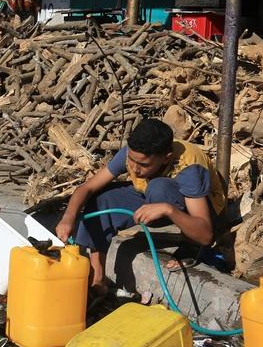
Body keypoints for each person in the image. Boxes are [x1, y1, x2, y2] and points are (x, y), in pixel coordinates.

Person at [54, 119, 226, 296]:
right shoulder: (133, 154)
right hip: (151, 195)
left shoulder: (189, 167)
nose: (135, 169)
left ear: (166, 158)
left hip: (199, 208)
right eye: (131, 160)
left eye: (144, 165)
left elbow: (205, 235)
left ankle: (190, 246)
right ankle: (98, 280)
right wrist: (68, 218)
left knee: (159, 188)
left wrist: (167, 209)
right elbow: (87, 188)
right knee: (101, 199)